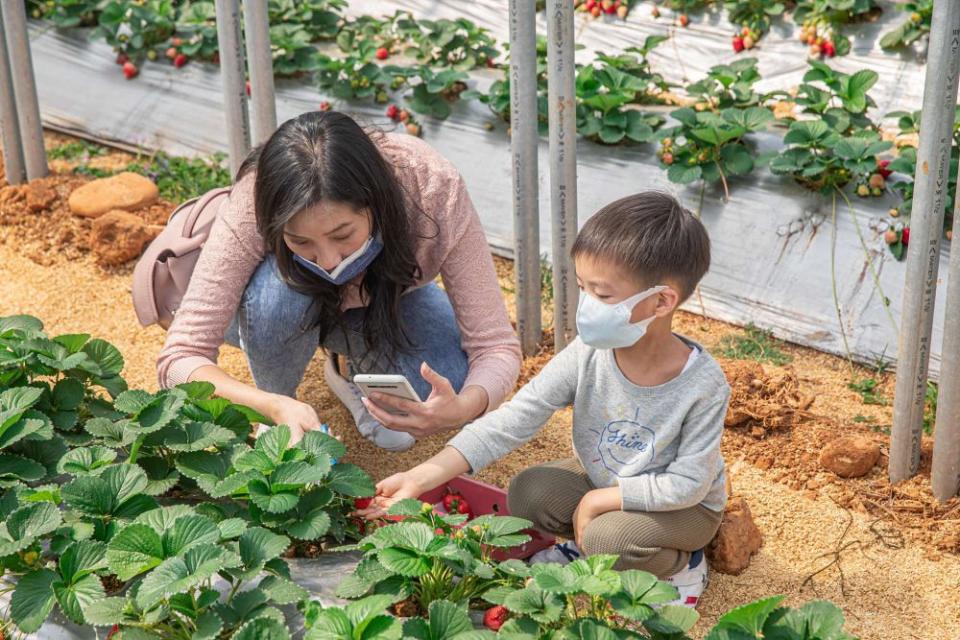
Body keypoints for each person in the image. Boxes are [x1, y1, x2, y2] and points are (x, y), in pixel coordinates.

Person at [358, 192, 730, 607]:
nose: (587, 306)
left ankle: (682, 565)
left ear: (662, 301)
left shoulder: (701, 384)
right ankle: (593, 544)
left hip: (683, 509)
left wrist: (599, 500)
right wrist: (424, 476)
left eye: (603, 296)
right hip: (607, 480)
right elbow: (517, 416)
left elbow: (690, 483)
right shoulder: (589, 354)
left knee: (610, 538)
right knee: (529, 492)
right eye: (584, 287)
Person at [156, 111, 521, 451]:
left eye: (343, 234)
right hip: (274, 306)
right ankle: (282, 395)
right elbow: (180, 356)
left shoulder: (432, 187)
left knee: (447, 383)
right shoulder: (253, 198)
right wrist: (270, 405)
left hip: (384, 300)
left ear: (376, 204)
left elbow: (496, 346)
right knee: (279, 298)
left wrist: (463, 408)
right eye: (300, 241)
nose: (329, 260)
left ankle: (344, 368)